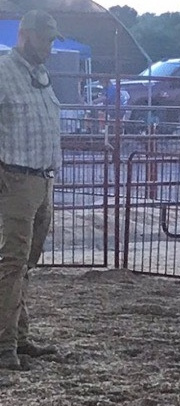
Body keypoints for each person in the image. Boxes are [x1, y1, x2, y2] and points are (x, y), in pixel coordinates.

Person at [0, 9, 63, 371]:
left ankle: (17, 339)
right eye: (46, 39)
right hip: (16, 180)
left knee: (23, 265)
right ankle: (4, 344)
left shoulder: (39, 75)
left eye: (53, 39)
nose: (50, 46)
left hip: (41, 181)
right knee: (12, 263)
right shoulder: (4, 73)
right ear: (25, 36)